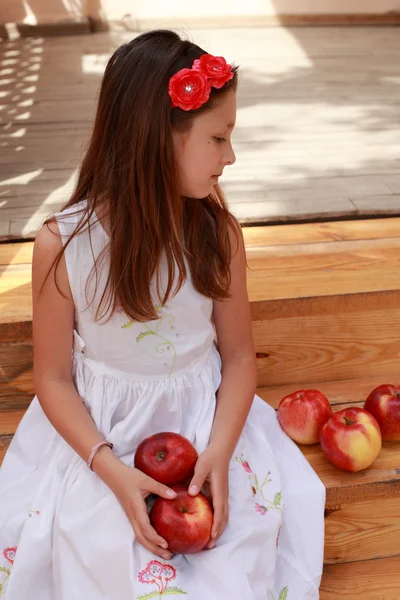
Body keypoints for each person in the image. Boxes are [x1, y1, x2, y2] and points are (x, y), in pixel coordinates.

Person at [0, 30, 325, 599]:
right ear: (157, 139)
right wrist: (111, 470)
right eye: (218, 138)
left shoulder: (216, 236)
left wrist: (220, 454)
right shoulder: (64, 244)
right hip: (101, 438)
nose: (231, 156)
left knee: (233, 549)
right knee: (95, 551)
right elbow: (51, 378)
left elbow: (241, 357)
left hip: (207, 424)